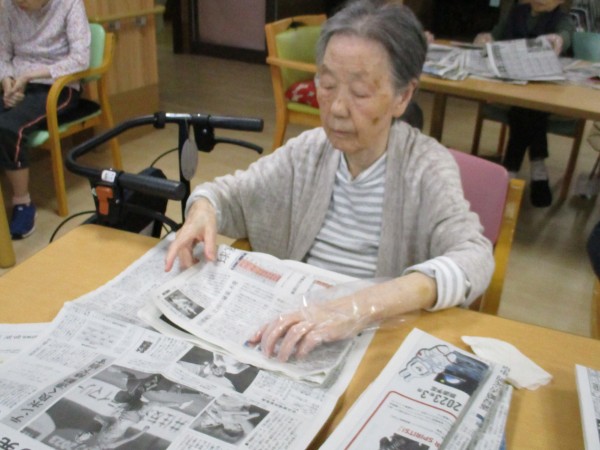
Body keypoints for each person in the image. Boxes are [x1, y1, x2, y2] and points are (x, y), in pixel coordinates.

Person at [166, 0, 494, 362]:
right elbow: (229, 196)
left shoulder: (425, 167)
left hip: (372, 342)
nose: (337, 108)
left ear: (403, 96)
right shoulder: (309, 151)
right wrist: (203, 209)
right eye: (326, 84)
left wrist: (359, 307)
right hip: (296, 328)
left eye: (360, 93)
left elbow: (474, 257)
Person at [0, 0, 91, 239]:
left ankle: (22, 203)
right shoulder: (8, 6)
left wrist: (28, 76)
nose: (18, 4)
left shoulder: (69, 4)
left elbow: (81, 59)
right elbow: (3, 54)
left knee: (9, 127)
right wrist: (7, 81)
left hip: (56, 85)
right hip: (18, 83)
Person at [473, 0, 575, 207]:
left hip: (544, 88)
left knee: (528, 108)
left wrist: (558, 40)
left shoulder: (562, 20)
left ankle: (510, 169)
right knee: (527, 107)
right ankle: (538, 166)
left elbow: (564, 36)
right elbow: (495, 35)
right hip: (513, 82)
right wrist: (485, 39)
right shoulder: (516, 13)